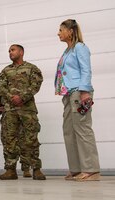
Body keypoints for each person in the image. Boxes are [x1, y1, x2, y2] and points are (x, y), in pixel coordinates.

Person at [55, 19, 100, 181]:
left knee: (82, 130)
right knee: (69, 131)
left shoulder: (80, 47)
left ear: (71, 31)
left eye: (61, 30)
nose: (58, 33)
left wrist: (85, 91)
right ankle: (76, 168)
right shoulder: (68, 51)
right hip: (68, 94)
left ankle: (91, 170)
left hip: (79, 93)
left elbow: (86, 70)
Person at [0, 44, 46, 180]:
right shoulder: (5, 71)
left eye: (12, 50)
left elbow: (36, 84)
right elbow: (1, 87)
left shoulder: (32, 68)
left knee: (31, 139)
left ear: (21, 52)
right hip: (10, 110)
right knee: (9, 139)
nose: (10, 52)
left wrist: (22, 97)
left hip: (27, 109)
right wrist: (11, 98)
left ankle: (36, 169)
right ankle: (10, 169)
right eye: (9, 51)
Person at [0, 92, 32, 178]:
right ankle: (10, 168)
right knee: (8, 145)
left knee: (24, 144)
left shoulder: (23, 89)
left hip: (22, 119)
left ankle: (26, 169)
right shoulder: (1, 92)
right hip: (7, 121)